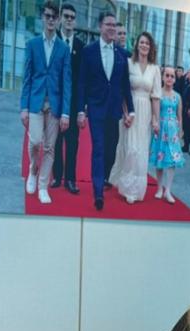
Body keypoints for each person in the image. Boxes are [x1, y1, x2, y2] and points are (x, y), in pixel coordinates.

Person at [78, 11, 133, 211]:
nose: (112, 28)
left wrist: (132, 110)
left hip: (114, 109)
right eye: (108, 24)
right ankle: (98, 191)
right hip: (95, 108)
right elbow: (82, 82)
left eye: (114, 25)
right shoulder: (89, 51)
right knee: (99, 148)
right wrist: (80, 110)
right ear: (100, 26)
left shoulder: (121, 54)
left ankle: (105, 177)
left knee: (111, 148)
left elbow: (125, 84)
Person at [20, 1, 71, 206]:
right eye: (47, 16)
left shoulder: (63, 48)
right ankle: (33, 168)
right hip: (35, 102)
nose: (51, 20)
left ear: (58, 20)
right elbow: (27, 77)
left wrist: (66, 112)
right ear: (43, 18)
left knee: (50, 148)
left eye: (54, 17)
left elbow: (67, 82)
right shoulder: (32, 45)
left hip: (56, 105)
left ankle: (42, 186)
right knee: (35, 142)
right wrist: (23, 107)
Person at [112, 32, 160, 204]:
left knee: (140, 150)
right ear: (137, 45)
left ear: (150, 46)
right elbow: (123, 90)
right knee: (130, 148)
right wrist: (126, 113)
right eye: (142, 42)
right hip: (130, 111)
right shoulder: (129, 64)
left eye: (147, 43)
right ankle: (126, 188)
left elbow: (155, 97)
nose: (144, 45)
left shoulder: (155, 69)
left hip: (145, 112)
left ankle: (136, 190)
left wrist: (156, 120)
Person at [51, 3, 85, 195]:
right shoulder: (52, 41)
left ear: (75, 20)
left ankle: (70, 180)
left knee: (72, 143)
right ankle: (57, 176)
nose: (69, 19)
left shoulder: (81, 47)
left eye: (72, 17)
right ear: (60, 18)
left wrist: (82, 109)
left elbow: (82, 82)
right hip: (55, 102)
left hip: (73, 105)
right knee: (55, 141)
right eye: (66, 16)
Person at [148, 65, 185, 204]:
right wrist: (154, 123)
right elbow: (153, 112)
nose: (169, 78)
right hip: (160, 129)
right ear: (163, 77)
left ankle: (168, 190)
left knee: (172, 160)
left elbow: (179, 116)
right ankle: (159, 188)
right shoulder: (158, 94)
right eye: (167, 75)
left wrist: (180, 131)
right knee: (160, 158)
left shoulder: (177, 97)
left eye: (172, 76)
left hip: (173, 131)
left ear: (175, 79)